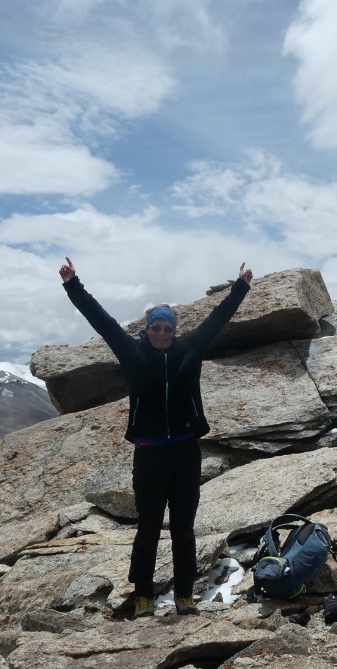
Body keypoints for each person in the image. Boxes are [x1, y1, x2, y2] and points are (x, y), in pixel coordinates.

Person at [58, 257, 253, 618]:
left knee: (183, 528)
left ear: (175, 330)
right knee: (148, 527)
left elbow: (219, 317)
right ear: (147, 329)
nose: (162, 333)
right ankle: (144, 594)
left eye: (167, 328)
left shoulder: (189, 349)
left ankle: (185, 595)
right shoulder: (132, 352)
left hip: (185, 453)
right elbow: (101, 321)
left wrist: (241, 286)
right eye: (156, 327)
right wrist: (73, 285)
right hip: (149, 455)